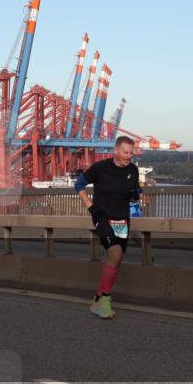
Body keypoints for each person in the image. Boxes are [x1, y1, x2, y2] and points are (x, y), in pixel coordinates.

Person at [75, 136, 141, 320]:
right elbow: (79, 184)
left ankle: (98, 298)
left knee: (117, 260)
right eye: (126, 152)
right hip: (102, 217)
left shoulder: (133, 170)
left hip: (122, 220)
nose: (129, 156)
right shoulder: (100, 168)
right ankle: (105, 299)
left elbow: (134, 192)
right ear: (116, 151)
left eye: (131, 152)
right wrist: (89, 204)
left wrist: (136, 196)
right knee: (115, 254)